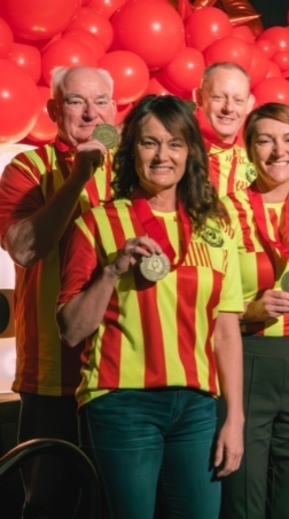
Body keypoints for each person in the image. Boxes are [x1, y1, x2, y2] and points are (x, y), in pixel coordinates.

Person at [56, 95, 245, 519]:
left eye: (175, 144)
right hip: (121, 403)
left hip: (197, 407)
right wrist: (112, 270)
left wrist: (235, 419)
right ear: (131, 151)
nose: (163, 156)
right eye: (149, 143)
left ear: (190, 152)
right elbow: (70, 329)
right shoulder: (96, 223)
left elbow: (226, 331)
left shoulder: (215, 226)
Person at [0, 65, 116, 518]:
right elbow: (26, 249)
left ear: (114, 109)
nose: (90, 113)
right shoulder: (28, 168)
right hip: (52, 373)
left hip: (122, 371)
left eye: (101, 102)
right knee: (48, 505)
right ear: (53, 110)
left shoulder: (135, 172)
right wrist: (78, 178)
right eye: (76, 102)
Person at [220, 103, 289, 519]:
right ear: (249, 150)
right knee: (243, 504)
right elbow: (198, 301)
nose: (278, 151)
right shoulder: (223, 211)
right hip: (248, 361)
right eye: (265, 140)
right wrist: (249, 310)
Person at [194, 62, 256, 197]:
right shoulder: (179, 155)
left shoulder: (258, 164)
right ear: (199, 97)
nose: (229, 108)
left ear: (249, 104)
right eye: (218, 97)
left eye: (238, 100)